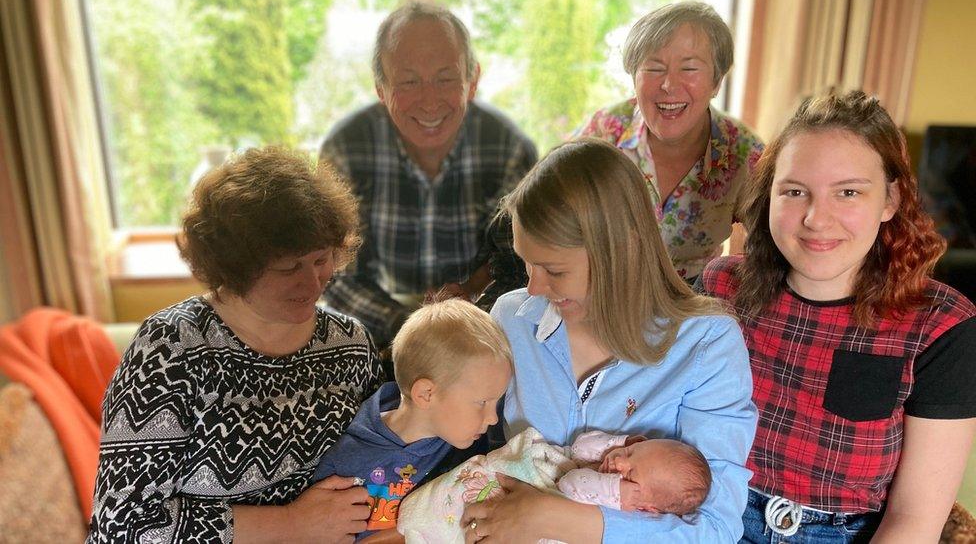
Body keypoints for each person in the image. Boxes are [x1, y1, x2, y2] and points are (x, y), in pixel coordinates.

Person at [699, 91, 976, 542]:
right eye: (794, 191)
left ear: (890, 200)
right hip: (712, 518)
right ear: (767, 196)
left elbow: (914, 520)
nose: (816, 218)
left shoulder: (941, 328)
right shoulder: (719, 288)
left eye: (847, 192)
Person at [461, 138, 758, 543]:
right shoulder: (511, 318)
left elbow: (716, 528)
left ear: (624, 249)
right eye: (525, 262)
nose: (532, 287)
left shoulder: (708, 344)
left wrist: (553, 518)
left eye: (554, 270)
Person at [87, 147, 384, 543]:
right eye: (288, 268)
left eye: (321, 260)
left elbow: (386, 451)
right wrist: (291, 524)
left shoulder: (350, 344)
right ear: (235, 267)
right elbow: (125, 522)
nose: (313, 284)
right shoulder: (172, 349)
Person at [321, 1, 537, 351]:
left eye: (445, 79)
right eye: (408, 82)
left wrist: (467, 303)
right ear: (380, 88)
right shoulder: (347, 147)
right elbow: (335, 273)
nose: (429, 101)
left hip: (483, 334)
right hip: (374, 340)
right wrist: (410, 327)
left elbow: (520, 264)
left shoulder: (508, 148)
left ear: (472, 80)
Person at [574, 1, 763, 283]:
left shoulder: (745, 154)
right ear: (633, 77)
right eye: (654, 68)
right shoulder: (605, 131)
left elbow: (771, 248)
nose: (668, 85)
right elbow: (551, 212)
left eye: (689, 69)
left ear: (716, 82)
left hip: (691, 301)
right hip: (599, 288)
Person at [312, 298, 512, 541]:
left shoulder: (470, 446)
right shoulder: (345, 461)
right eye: (482, 402)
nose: (492, 419)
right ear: (426, 394)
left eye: (497, 402)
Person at [398, 427, 711, 543]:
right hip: (534, 474)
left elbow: (572, 486)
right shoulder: (610, 459)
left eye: (630, 476)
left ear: (647, 507)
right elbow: (579, 448)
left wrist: (614, 490)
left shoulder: (625, 511)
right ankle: (426, 519)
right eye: (631, 453)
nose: (619, 464)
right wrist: (620, 442)